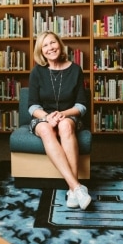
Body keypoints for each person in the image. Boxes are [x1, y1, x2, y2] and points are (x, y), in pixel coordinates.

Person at [27, 31, 91, 210]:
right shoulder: (37, 72)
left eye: (52, 43)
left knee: (64, 126)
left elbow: (81, 105)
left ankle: (72, 190)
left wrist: (62, 114)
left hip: (68, 115)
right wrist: (47, 117)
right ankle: (76, 187)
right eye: (45, 45)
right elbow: (32, 106)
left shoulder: (75, 69)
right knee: (47, 130)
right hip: (43, 118)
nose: (50, 48)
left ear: (60, 45)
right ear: (41, 51)